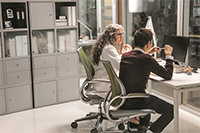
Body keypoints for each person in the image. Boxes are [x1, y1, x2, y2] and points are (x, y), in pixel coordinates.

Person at [119, 28, 174, 133]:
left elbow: (138, 60)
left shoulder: (125, 56)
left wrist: (148, 52)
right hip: (137, 101)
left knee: (149, 98)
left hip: (123, 99)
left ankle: (142, 128)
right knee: (172, 110)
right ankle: (152, 131)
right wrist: (168, 56)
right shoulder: (147, 60)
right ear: (149, 43)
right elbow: (167, 75)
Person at [91, 24, 132, 98]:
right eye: (119, 35)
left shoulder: (106, 46)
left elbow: (116, 60)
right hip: (105, 86)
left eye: (122, 34)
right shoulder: (109, 49)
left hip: (103, 82)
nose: (121, 37)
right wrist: (128, 52)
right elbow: (120, 66)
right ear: (111, 36)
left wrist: (123, 53)